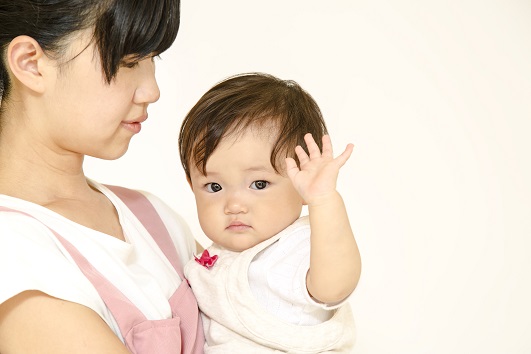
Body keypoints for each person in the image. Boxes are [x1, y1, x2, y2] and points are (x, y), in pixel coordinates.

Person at [0, 1, 204, 353]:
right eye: (128, 62)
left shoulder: (153, 216)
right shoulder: (13, 251)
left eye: (151, 59)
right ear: (30, 64)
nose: (151, 91)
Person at [179, 72, 361, 352]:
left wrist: (323, 200)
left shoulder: (297, 248)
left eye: (259, 184)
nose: (234, 205)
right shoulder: (213, 257)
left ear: (301, 183)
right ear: (192, 185)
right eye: (214, 186)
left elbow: (334, 286)